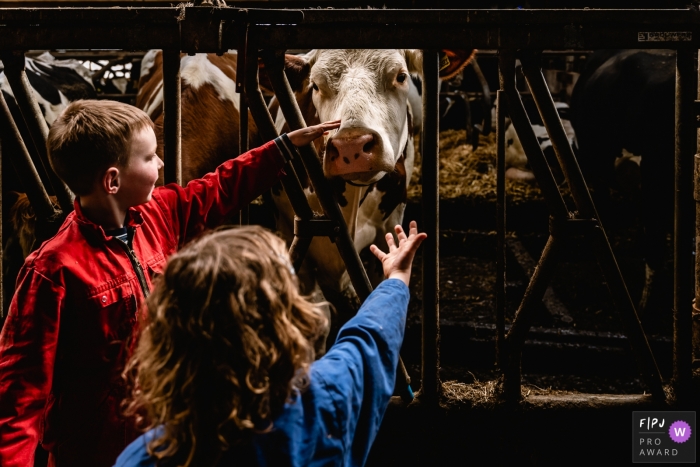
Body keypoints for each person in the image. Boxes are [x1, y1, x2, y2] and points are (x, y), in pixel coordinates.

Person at [0, 99, 340, 467]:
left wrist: (281, 149)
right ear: (113, 180)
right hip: (95, 449)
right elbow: (19, 392)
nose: (161, 164)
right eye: (149, 158)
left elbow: (217, 188)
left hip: (167, 435)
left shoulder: (157, 213)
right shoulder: (54, 271)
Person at [115, 220, 426, 467]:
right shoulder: (325, 401)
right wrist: (396, 279)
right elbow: (370, 339)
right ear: (286, 324)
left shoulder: (145, 458)